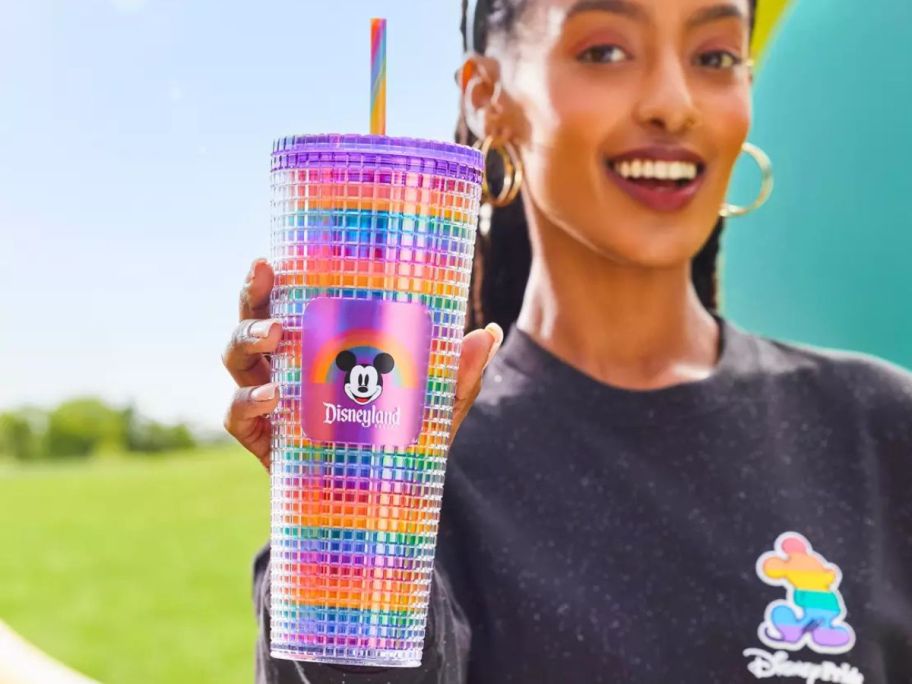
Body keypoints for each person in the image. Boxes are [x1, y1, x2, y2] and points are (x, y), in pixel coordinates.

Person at [222, 0, 912, 681]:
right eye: (604, 51)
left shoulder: (881, 427)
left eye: (715, 56)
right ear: (488, 99)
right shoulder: (411, 483)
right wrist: (341, 525)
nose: (675, 105)